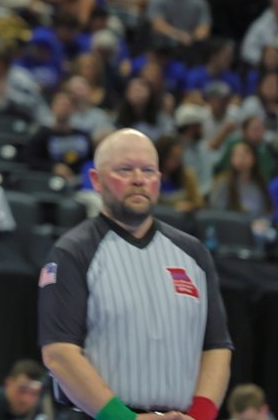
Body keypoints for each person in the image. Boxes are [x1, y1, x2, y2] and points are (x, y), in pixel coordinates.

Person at [38, 129, 232, 420]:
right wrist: (124, 419)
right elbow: (59, 354)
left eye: (149, 170)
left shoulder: (194, 254)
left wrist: (199, 417)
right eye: (125, 170)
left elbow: (217, 347)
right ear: (96, 181)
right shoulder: (72, 253)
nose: (139, 179)